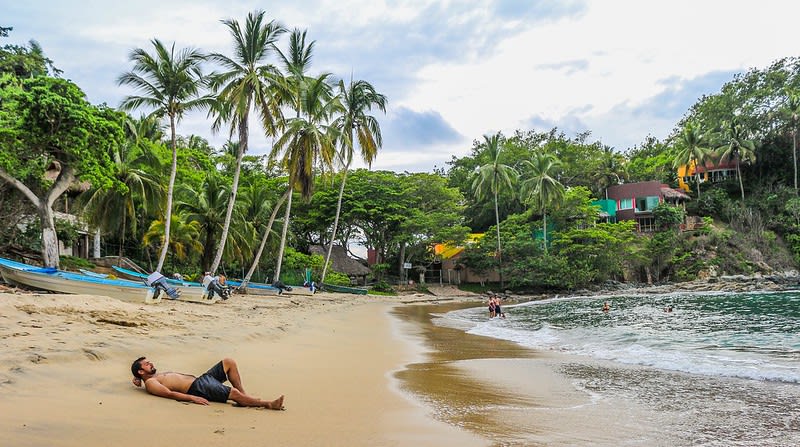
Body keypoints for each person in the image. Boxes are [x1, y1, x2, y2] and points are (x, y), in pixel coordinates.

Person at [130, 356, 284, 409]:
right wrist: (192, 398)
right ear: (141, 371)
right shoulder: (151, 383)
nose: (150, 364)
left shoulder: (150, 376)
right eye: (146, 364)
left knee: (228, 362)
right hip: (198, 388)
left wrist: (137, 379)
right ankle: (268, 404)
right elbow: (169, 394)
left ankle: (245, 398)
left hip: (201, 379)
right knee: (233, 393)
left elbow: (140, 376)